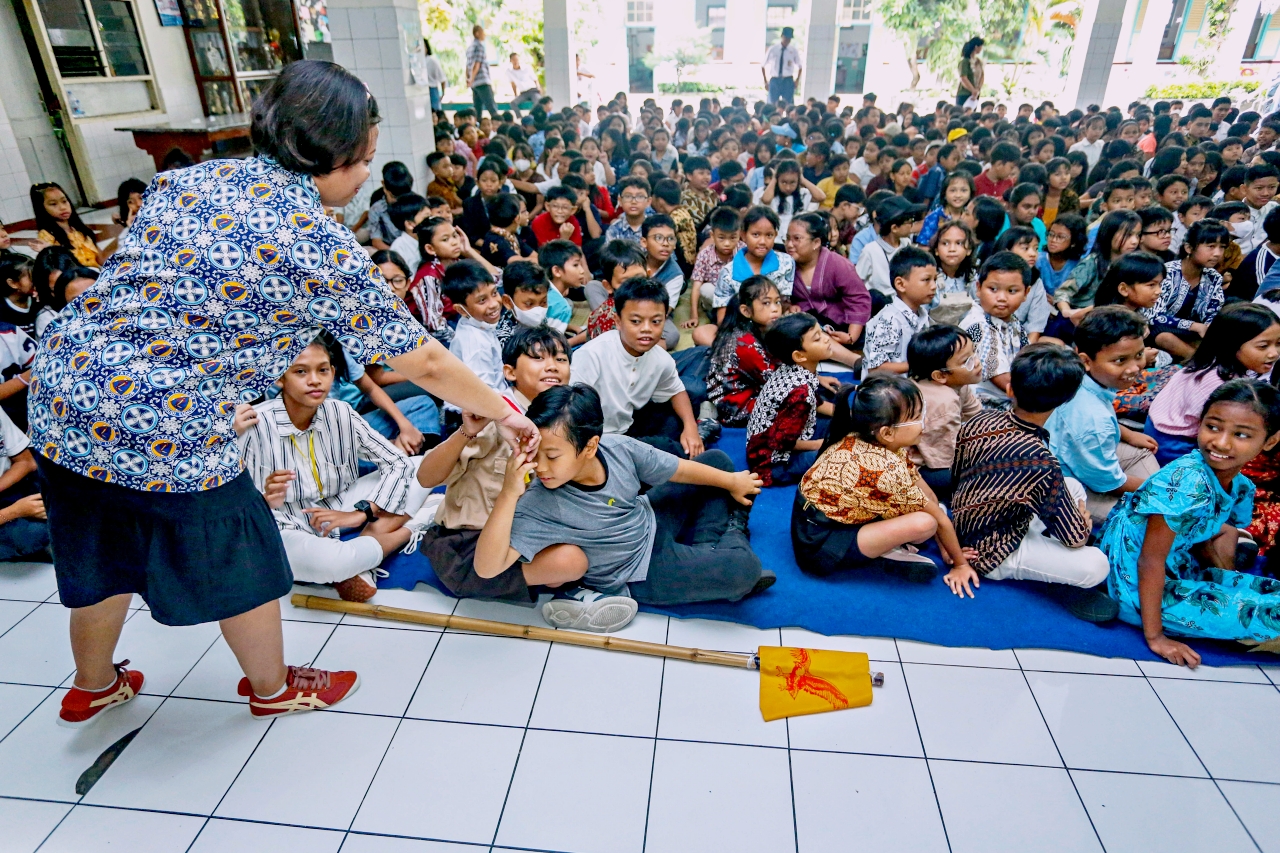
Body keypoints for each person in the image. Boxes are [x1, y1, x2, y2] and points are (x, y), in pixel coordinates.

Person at [30, 60, 540, 728]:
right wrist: (504, 408)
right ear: (331, 157)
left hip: (64, 397)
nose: (364, 176)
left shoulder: (186, 179)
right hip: (168, 424)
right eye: (365, 160)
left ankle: (93, 685)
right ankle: (272, 686)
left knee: (99, 550)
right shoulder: (316, 242)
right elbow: (419, 355)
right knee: (245, 555)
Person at [475, 383, 770, 631]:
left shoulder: (617, 448)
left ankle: (707, 548)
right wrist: (508, 494)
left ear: (590, 447)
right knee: (744, 571)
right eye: (535, 453)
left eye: (551, 456)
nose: (539, 466)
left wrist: (732, 481)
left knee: (717, 463)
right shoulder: (539, 502)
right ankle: (729, 539)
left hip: (649, 517)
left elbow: (676, 469)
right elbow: (487, 569)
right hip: (638, 571)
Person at [1100, 380, 1280, 667]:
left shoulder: (1239, 486)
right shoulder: (1186, 482)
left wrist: (1227, 582)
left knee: (1269, 592)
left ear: (1270, 441)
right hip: (1136, 586)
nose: (1221, 442)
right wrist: (1156, 638)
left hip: (1181, 568)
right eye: (1213, 427)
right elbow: (1149, 561)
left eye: (1241, 434)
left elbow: (1206, 535)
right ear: (1200, 424)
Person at [237, 337, 418, 603]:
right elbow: (230, 508)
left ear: (333, 373)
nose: (314, 380)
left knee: (418, 465)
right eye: (301, 372)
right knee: (330, 564)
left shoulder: (340, 412)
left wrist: (362, 511)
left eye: (323, 370)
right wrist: (264, 500)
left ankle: (360, 548)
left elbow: (398, 462)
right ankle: (413, 527)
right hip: (285, 525)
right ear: (279, 378)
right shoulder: (254, 425)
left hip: (340, 505)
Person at [948, 345, 1117, 621]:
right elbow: (1075, 539)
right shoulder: (1041, 460)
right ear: (1065, 401)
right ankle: (1049, 580)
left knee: (1071, 485)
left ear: (1011, 388)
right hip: (992, 553)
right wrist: (1084, 521)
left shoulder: (978, 422)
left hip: (966, 524)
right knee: (1096, 564)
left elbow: (957, 482)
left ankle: (1046, 551)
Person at [415, 326, 570, 601]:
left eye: (560, 359)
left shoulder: (558, 418)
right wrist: (466, 432)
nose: (552, 367)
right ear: (510, 372)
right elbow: (426, 478)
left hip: (516, 536)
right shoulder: (492, 417)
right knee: (572, 561)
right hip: (468, 546)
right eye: (538, 358)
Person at [790, 377, 971, 581]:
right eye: (917, 416)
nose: (924, 421)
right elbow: (937, 519)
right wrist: (960, 564)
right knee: (925, 524)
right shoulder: (886, 469)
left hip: (814, 521)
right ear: (887, 432)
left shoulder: (868, 438)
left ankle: (885, 545)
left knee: (930, 511)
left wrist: (946, 547)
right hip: (820, 545)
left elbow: (927, 494)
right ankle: (885, 553)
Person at [1047, 307, 1161, 525]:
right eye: (1120, 361)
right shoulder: (1093, 421)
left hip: (1079, 457)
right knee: (1149, 519)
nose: (1134, 367)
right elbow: (1108, 483)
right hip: (1066, 487)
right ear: (1086, 360)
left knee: (1142, 453)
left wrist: (1127, 433)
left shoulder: (1081, 377)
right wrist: (1158, 489)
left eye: (1138, 355)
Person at [574, 278, 704, 458]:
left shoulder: (661, 358)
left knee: (690, 397)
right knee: (669, 452)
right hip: (597, 441)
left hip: (631, 426)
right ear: (618, 321)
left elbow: (676, 391)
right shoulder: (592, 354)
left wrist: (691, 428)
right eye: (636, 321)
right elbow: (570, 411)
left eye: (656, 321)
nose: (646, 329)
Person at [1144, 302, 1280, 464]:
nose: (1274, 353)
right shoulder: (1217, 383)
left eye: (1278, 343)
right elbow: (1222, 430)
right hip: (1173, 443)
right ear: (1232, 344)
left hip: (1164, 430)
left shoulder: (1215, 362)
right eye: (1263, 346)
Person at [746, 314, 833, 486]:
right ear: (799, 356)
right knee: (835, 453)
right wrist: (818, 444)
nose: (826, 339)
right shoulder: (800, 394)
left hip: (782, 434)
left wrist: (850, 414)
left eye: (821, 332)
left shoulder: (794, 369)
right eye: (817, 338)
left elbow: (816, 402)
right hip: (772, 463)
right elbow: (779, 442)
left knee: (840, 425)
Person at [906, 325, 982, 501]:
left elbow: (979, 418)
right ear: (940, 376)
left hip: (937, 457)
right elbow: (947, 459)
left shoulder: (956, 382)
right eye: (966, 361)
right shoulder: (943, 402)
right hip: (916, 469)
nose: (976, 361)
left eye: (974, 352)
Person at [787, 211, 871, 348]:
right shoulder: (785, 264)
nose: (790, 244)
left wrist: (851, 337)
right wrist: (789, 307)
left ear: (816, 242)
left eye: (797, 239)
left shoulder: (837, 264)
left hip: (841, 327)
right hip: (807, 328)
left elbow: (858, 299)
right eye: (787, 239)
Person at [707, 275, 782, 427]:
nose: (775, 308)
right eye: (766, 303)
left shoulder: (758, 328)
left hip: (752, 388)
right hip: (735, 407)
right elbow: (781, 385)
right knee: (796, 405)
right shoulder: (745, 344)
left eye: (777, 302)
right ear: (746, 311)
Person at [1150, 218, 1229, 360]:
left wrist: (1207, 327)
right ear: (1189, 248)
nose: (1217, 253)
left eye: (1222, 247)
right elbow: (1154, 316)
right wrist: (1193, 325)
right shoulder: (1166, 273)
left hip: (1194, 332)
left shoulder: (1214, 277)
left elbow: (1213, 312)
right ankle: (1199, 363)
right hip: (1159, 330)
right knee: (1165, 337)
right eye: (1211, 246)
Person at [960, 251, 1030, 407]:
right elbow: (1001, 378)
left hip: (1009, 399)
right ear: (978, 288)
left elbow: (1028, 357)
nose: (1002, 298)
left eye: (1012, 291)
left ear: (1026, 293)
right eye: (993, 289)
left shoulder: (1013, 321)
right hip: (984, 408)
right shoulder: (979, 325)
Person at [711, 206, 795, 323]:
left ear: (775, 235)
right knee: (702, 333)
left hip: (775, 326)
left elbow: (785, 302)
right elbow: (723, 317)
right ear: (744, 235)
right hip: (741, 326)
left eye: (769, 235)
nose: (762, 241)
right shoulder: (728, 273)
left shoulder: (786, 263)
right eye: (756, 235)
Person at [863, 245, 935, 375]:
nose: (934, 286)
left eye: (935, 279)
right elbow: (876, 369)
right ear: (901, 284)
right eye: (926, 280)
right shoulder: (889, 319)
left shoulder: (922, 314)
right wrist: (921, 365)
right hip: (884, 390)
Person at [689, 207, 745, 342]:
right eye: (721, 238)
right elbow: (696, 287)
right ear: (712, 235)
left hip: (737, 297)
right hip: (713, 298)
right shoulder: (705, 255)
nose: (727, 243)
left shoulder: (743, 251)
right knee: (705, 289)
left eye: (733, 238)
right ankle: (720, 318)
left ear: (740, 235)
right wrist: (694, 316)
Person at [585, 239, 647, 340]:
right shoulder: (608, 319)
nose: (636, 286)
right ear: (608, 286)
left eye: (640, 278)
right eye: (626, 282)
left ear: (648, 275)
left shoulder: (650, 302)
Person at [30, 182, 100, 268]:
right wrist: (51, 249)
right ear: (41, 208)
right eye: (53, 204)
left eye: (64, 201)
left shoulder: (80, 230)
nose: (62, 207)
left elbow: (100, 258)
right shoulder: (46, 235)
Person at [762, 26, 803, 105]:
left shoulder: (793, 50)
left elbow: (800, 66)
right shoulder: (773, 49)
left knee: (788, 104)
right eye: (786, 38)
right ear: (782, 36)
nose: (787, 40)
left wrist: (797, 80)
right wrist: (765, 81)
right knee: (772, 104)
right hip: (775, 79)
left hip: (787, 80)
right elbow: (763, 65)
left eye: (789, 39)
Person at [466, 24, 499, 119]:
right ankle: (500, 126)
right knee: (492, 107)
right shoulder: (479, 46)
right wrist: (471, 79)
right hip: (482, 81)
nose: (484, 35)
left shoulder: (470, 48)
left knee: (477, 109)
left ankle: (478, 127)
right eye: (482, 33)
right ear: (477, 34)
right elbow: (477, 64)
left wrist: (468, 79)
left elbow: (467, 65)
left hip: (474, 84)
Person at [507, 53, 541, 118]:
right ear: (510, 60)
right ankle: (520, 118)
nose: (515, 61)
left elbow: (535, 79)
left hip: (533, 90)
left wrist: (538, 88)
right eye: (513, 59)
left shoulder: (526, 68)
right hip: (523, 93)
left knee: (537, 102)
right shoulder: (509, 71)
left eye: (516, 59)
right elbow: (513, 84)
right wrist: (515, 94)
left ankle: (533, 117)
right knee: (513, 103)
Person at [956, 37, 984, 108]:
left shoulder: (978, 61)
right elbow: (963, 78)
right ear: (976, 47)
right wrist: (972, 90)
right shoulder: (965, 62)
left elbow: (982, 76)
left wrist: (978, 89)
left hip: (976, 94)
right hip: (964, 93)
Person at [423, 39, 447, 117]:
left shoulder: (431, 61)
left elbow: (442, 79)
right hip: (421, 90)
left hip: (432, 90)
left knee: (435, 114)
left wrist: (443, 93)